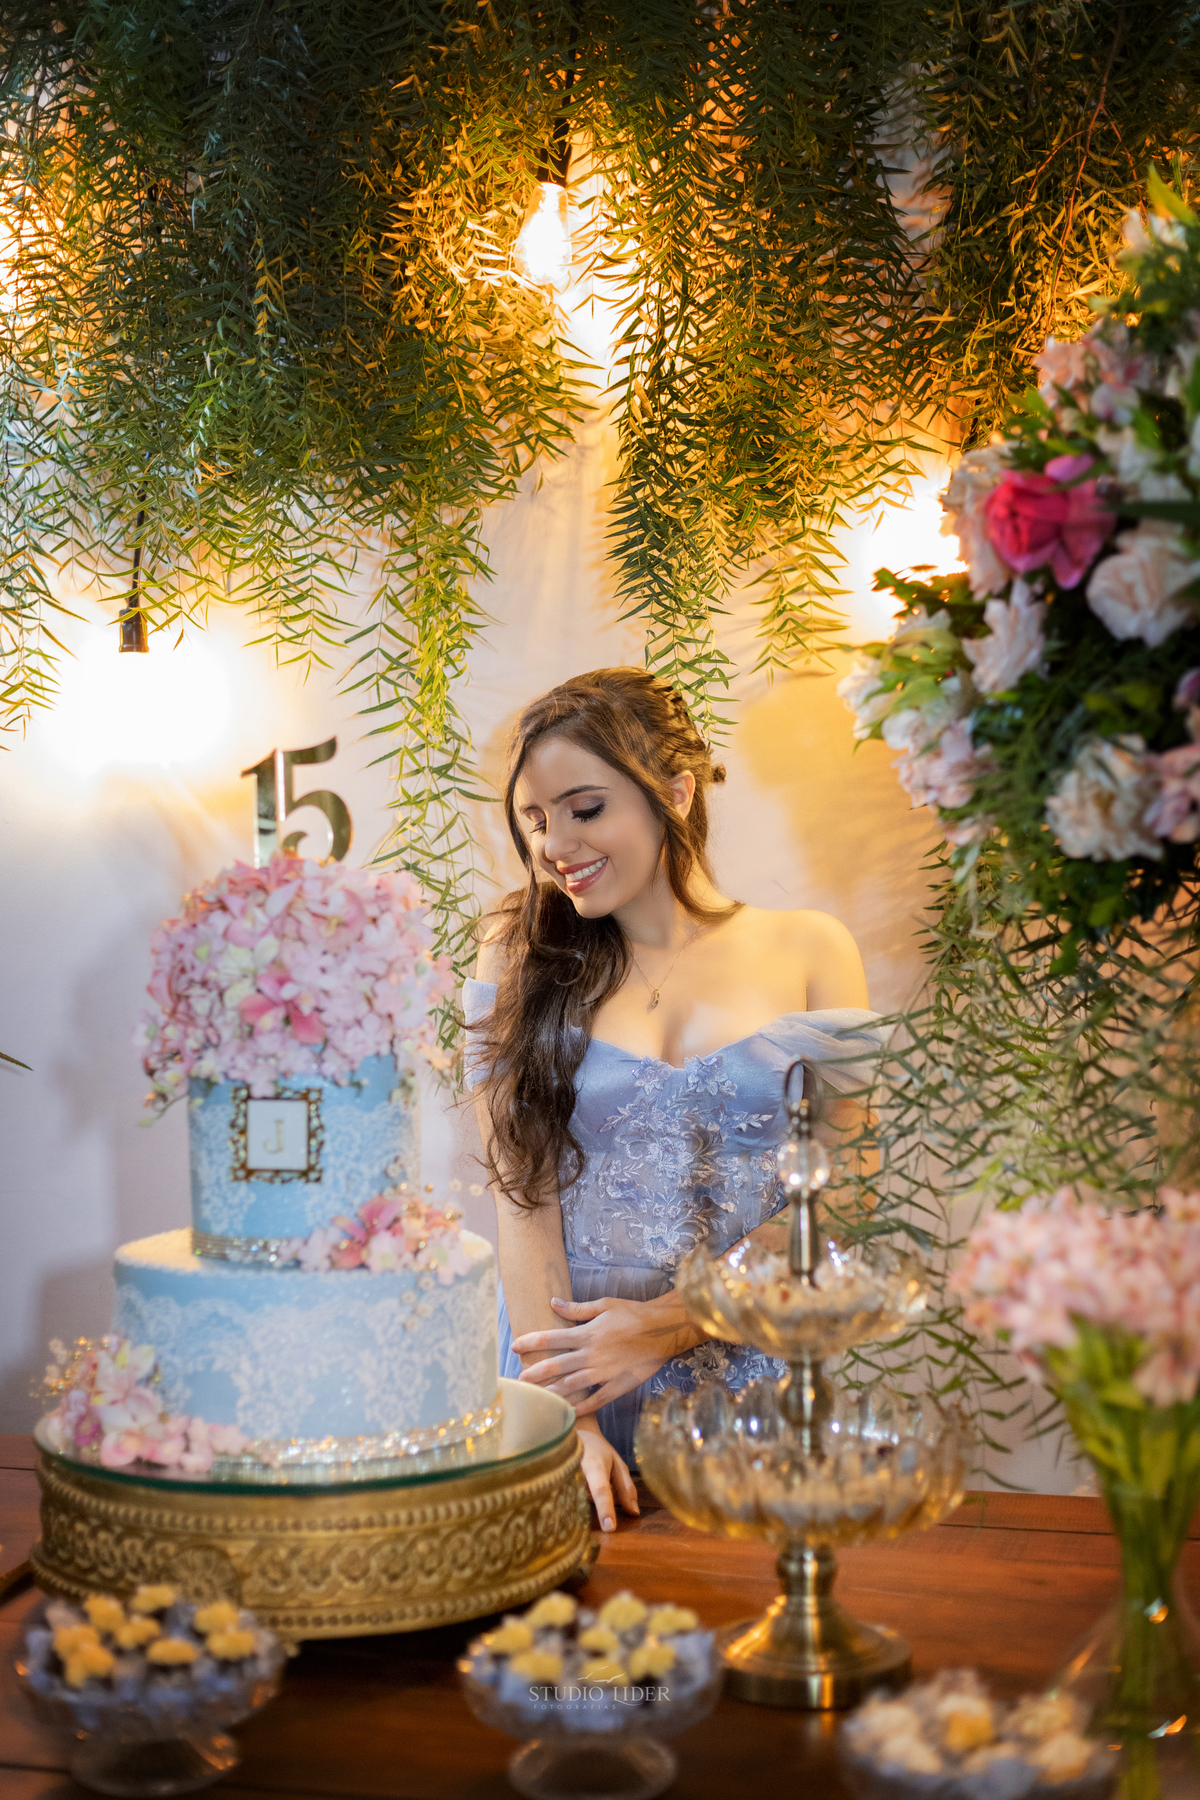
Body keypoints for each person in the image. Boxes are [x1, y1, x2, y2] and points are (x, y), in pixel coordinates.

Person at [465, 668, 883, 1534]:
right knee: (578, 1655)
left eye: (584, 808)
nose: (555, 844)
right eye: (535, 820)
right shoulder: (516, 951)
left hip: (746, 1364)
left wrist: (667, 1325)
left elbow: (845, 1189)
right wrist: (568, 1419)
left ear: (677, 792)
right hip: (565, 1364)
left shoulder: (810, 947)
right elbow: (521, 1197)